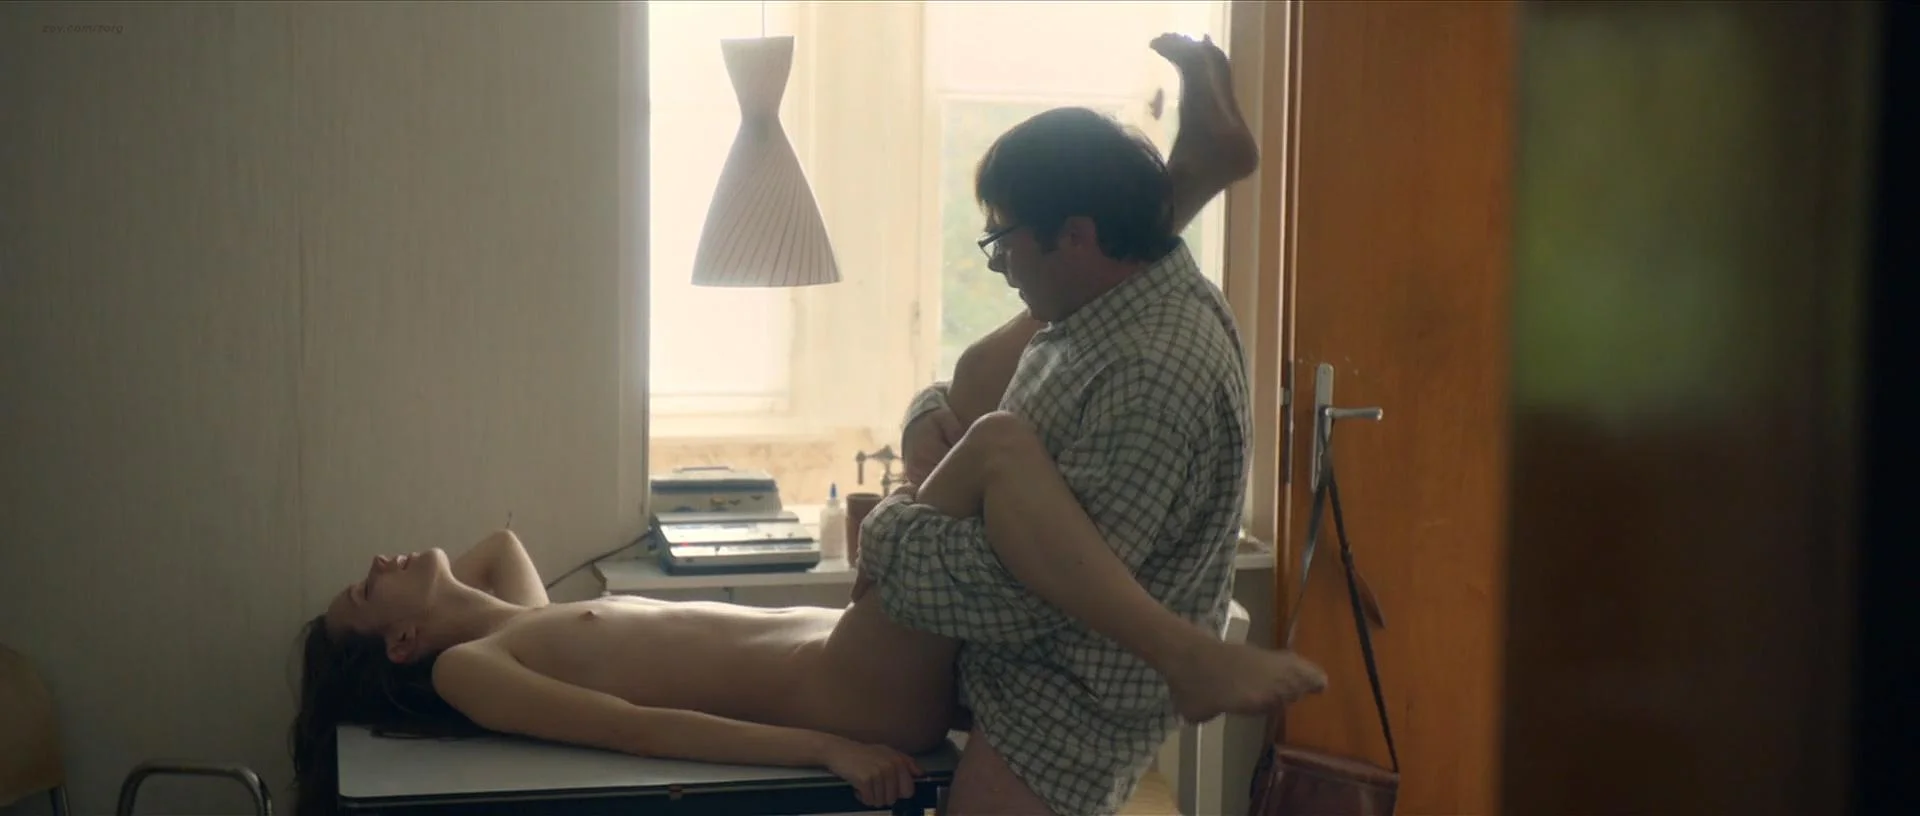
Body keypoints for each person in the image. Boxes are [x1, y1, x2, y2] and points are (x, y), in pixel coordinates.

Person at [288, 35, 1323, 816]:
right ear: (407, 643)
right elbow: (645, 731)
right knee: (997, 443)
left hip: (856, 651)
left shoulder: (509, 614)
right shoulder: (469, 667)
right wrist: (824, 750)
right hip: (850, 693)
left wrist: (426, 595)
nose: (376, 562)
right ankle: (1179, 646)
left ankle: (1177, 191)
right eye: (365, 591)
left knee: (973, 385)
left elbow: (494, 547)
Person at [851, 33, 1300, 816]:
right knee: (979, 396)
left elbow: (1030, 593)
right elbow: (977, 392)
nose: (994, 264)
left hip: (1058, 714)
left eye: (1002, 240)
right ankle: (1189, 175)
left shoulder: (1150, 371)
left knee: (993, 435)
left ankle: (1194, 172)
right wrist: (932, 420)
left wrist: (893, 525)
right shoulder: (1100, 309)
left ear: (1075, 238)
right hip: (1016, 682)